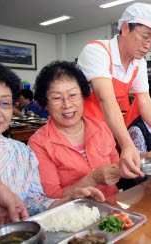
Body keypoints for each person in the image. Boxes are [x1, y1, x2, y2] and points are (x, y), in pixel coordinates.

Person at [0, 61, 104, 234]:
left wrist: (67, 201)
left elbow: (34, 202)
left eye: (5, 103)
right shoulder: (38, 143)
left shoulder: (21, 153)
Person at [77, 3, 151, 179]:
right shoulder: (97, 51)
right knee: (84, 185)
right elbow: (106, 100)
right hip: (80, 133)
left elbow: (145, 102)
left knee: (108, 186)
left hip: (105, 132)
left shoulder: (138, 63)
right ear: (126, 28)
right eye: (145, 37)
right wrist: (127, 143)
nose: (148, 45)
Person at [28, 61, 121, 199]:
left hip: (113, 207)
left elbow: (117, 167)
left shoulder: (101, 127)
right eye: (57, 98)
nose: (67, 104)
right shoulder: (39, 143)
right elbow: (51, 196)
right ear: (45, 104)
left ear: (83, 96)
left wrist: (140, 161)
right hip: (73, 215)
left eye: (73, 95)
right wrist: (92, 180)